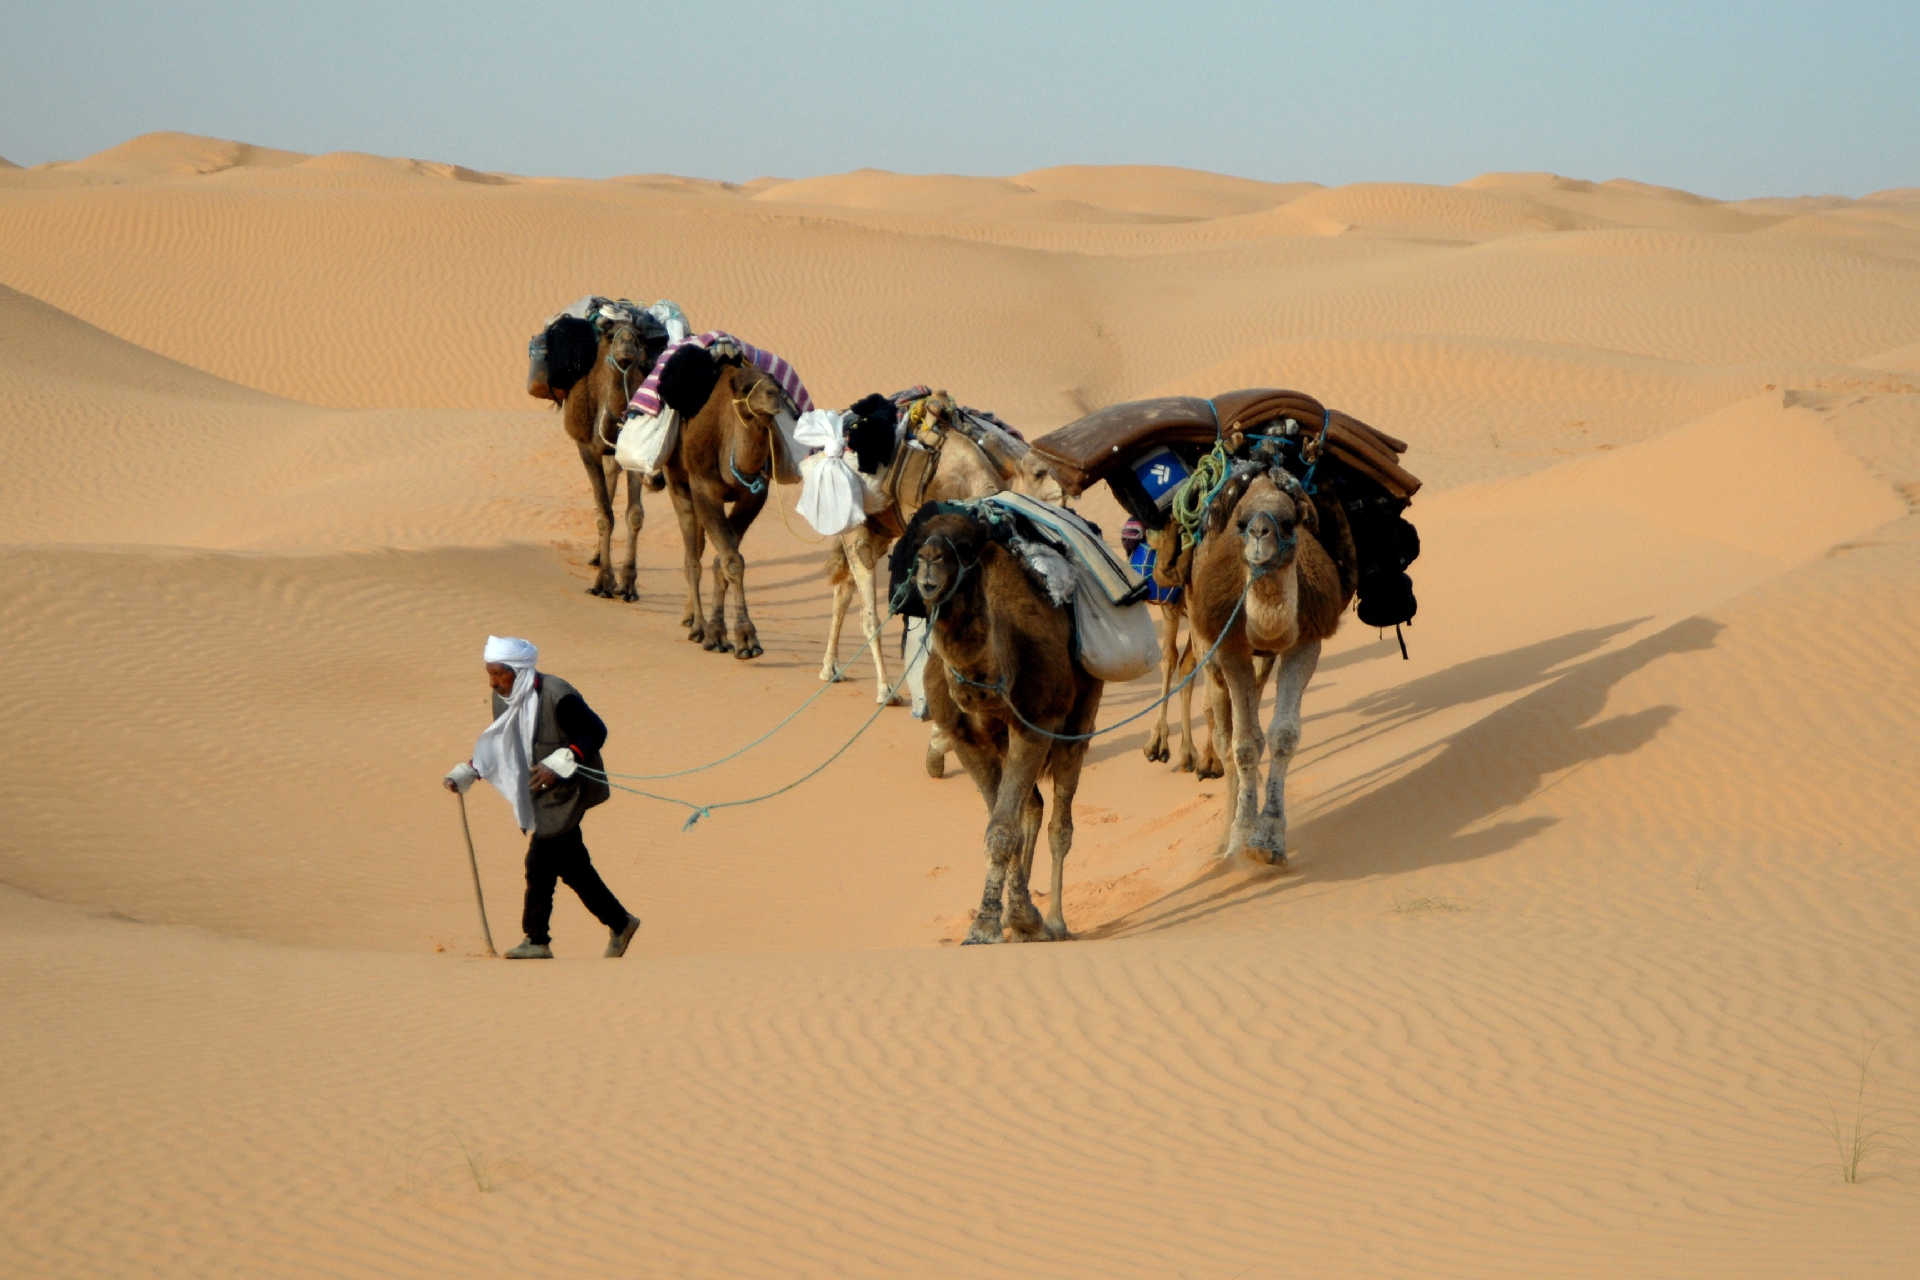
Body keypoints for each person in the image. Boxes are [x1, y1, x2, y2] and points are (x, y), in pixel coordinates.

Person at [443, 635, 641, 959]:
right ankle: (619, 922)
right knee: (573, 867)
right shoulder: (503, 700)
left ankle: (536, 940)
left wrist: (562, 761)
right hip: (540, 794)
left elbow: (595, 732)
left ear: (517, 671)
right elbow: (502, 746)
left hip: (570, 791)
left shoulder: (557, 694)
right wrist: (469, 772)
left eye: (498, 674)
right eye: (489, 674)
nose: (493, 683)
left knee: (539, 863)